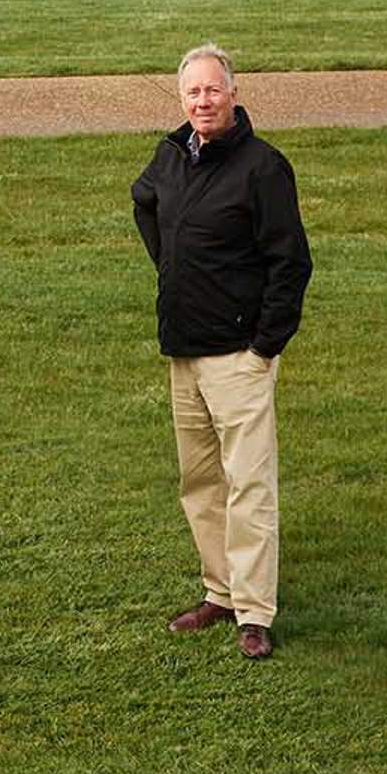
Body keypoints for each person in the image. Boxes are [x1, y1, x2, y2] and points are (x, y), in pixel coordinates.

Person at [131, 43, 310, 661]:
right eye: (192, 92)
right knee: (201, 482)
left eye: (212, 90)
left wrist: (265, 344)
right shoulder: (170, 155)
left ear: (233, 94)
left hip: (239, 356)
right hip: (185, 352)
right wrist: (174, 272)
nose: (202, 101)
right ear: (181, 98)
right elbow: (144, 201)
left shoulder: (263, 168)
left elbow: (292, 263)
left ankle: (254, 613)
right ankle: (222, 592)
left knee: (249, 484)